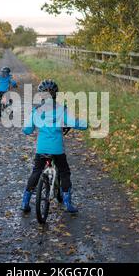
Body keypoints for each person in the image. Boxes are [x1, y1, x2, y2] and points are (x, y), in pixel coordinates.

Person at [21, 79, 87, 213]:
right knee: (64, 172)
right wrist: (85, 123)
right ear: (56, 94)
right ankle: (68, 203)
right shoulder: (62, 110)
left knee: (36, 172)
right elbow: (74, 122)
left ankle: (25, 202)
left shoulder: (36, 111)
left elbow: (27, 130)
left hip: (42, 149)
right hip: (57, 149)